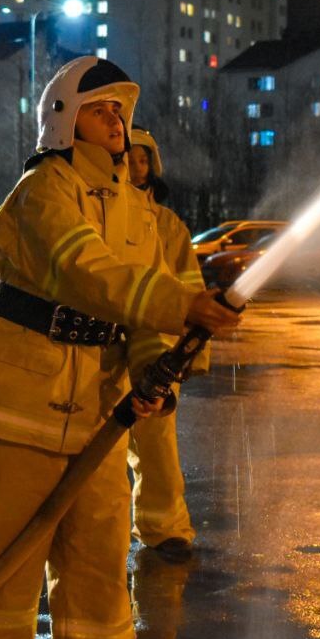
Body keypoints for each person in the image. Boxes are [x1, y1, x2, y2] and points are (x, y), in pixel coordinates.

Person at [0, 57, 242, 639]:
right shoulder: (44, 188)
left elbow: (134, 310)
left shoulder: (139, 210)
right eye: (102, 107)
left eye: (122, 110)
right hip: (24, 392)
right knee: (3, 545)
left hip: (99, 405)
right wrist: (182, 303)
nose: (118, 120)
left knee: (99, 552)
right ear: (62, 117)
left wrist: (149, 369)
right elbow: (86, 271)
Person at [125, 127, 208, 562]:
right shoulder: (105, 214)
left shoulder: (170, 227)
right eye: (130, 158)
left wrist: (192, 357)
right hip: (105, 345)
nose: (137, 167)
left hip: (158, 350)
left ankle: (165, 527)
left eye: (144, 160)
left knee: (157, 447)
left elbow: (191, 293)